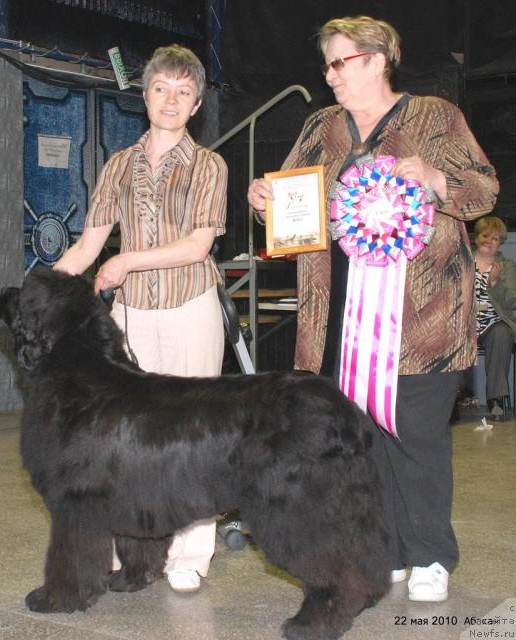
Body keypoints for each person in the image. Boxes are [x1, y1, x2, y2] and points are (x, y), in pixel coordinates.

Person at [247, 15, 498, 602]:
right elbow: (294, 203)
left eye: (341, 62)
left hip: (424, 315)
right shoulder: (320, 126)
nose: (330, 75)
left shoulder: (435, 116)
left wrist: (437, 179)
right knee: (360, 438)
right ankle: (384, 549)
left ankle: (431, 554)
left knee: (416, 434)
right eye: (327, 64)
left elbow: (484, 188)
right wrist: (265, 202)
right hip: (337, 316)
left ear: (379, 59)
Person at [54, 44, 228, 594]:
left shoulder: (209, 165)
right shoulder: (117, 166)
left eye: (183, 91)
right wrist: (44, 289)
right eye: (161, 88)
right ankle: (125, 550)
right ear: (145, 94)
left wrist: (127, 260)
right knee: (122, 440)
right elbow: (87, 247)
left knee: (192, 436)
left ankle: (190, 554)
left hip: (190, 308)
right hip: (128, 317)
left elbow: (198, 245)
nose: (171, 100)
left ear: (197, 103)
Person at [473, 216, 516, 418]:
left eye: (496, 238)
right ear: (477, 237)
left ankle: (495, 399)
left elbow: (512, 302)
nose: (489, 242)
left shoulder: (507, 266)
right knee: (447, 335)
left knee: (502, 333)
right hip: (465, 325)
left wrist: (496, 283)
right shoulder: (464, 262)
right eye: (486, 236)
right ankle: (450, 400)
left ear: (501, 242)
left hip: (493, 323)